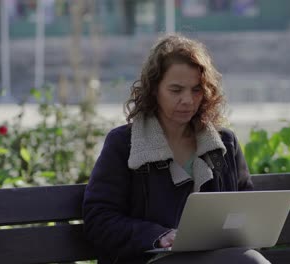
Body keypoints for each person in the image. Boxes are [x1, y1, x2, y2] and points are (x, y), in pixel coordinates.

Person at [83, 34, 271, 264]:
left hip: (215, 257)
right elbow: (99, 219)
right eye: (176, 90)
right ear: (154, 89)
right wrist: (158, 236)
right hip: (150, 259)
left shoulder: (224, 143)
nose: (188, 100)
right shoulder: (124, 143)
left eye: (196, 90)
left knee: (251, 260)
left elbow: (247, 211)